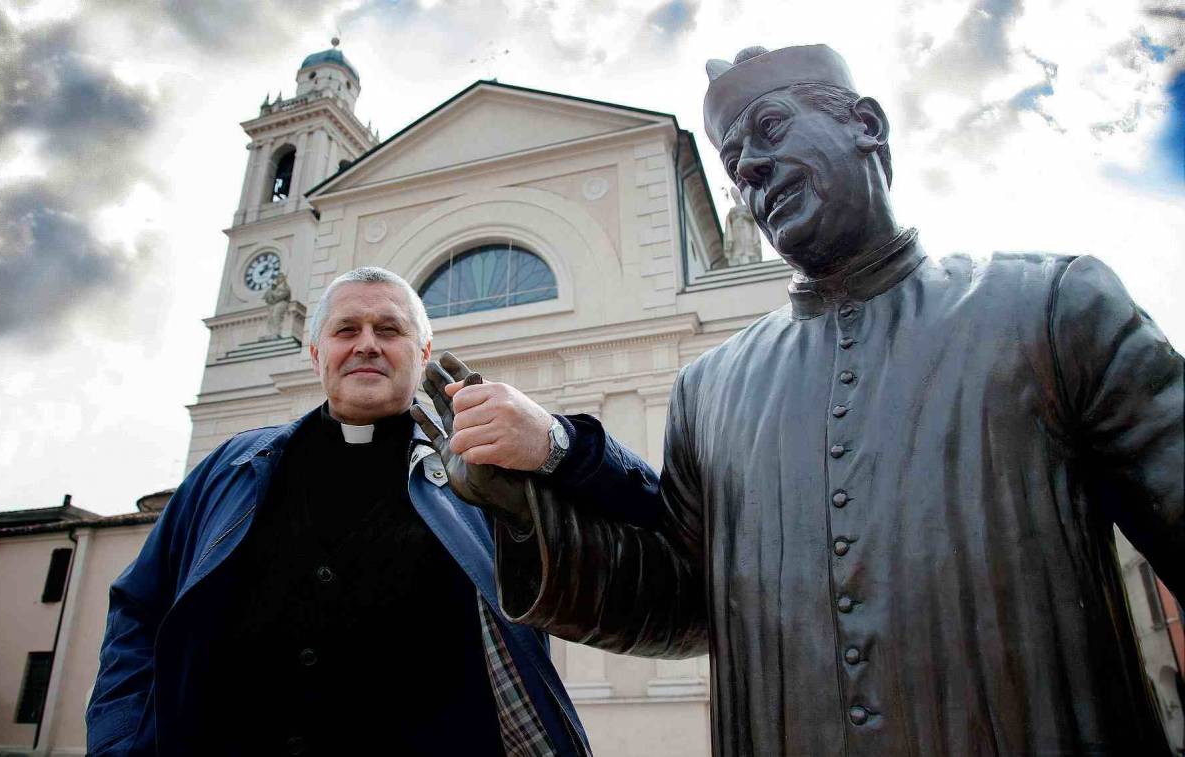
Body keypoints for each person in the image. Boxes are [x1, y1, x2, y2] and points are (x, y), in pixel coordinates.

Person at [415, 44, 1185, 756]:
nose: (750, 167)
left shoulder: (1050, 305)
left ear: (867, 126)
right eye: (734, 161)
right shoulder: (708, 389)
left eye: (771, 127)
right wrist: (522, 508)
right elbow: (682, 601)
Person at [86, 267, 589, 757]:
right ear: (315, 354)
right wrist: (121, 738)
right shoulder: (230, 467)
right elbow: (138, 610)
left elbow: (588, 586)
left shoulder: (486, 478)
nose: (366, 343)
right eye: (346, 329)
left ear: (424, 354)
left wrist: (550, 455)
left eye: (389, 330)